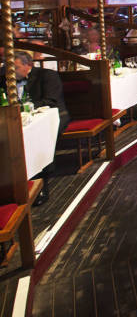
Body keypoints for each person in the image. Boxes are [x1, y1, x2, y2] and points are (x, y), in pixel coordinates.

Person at [14, 50, 69, 205]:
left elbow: (51, 100)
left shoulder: (47, 76)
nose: (12, 72)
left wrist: (24, 108)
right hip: (22, 119)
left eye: (16, 68)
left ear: (28, 65)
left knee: (41, 138)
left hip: (54, 116)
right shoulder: (5, 80)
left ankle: (42, 182)